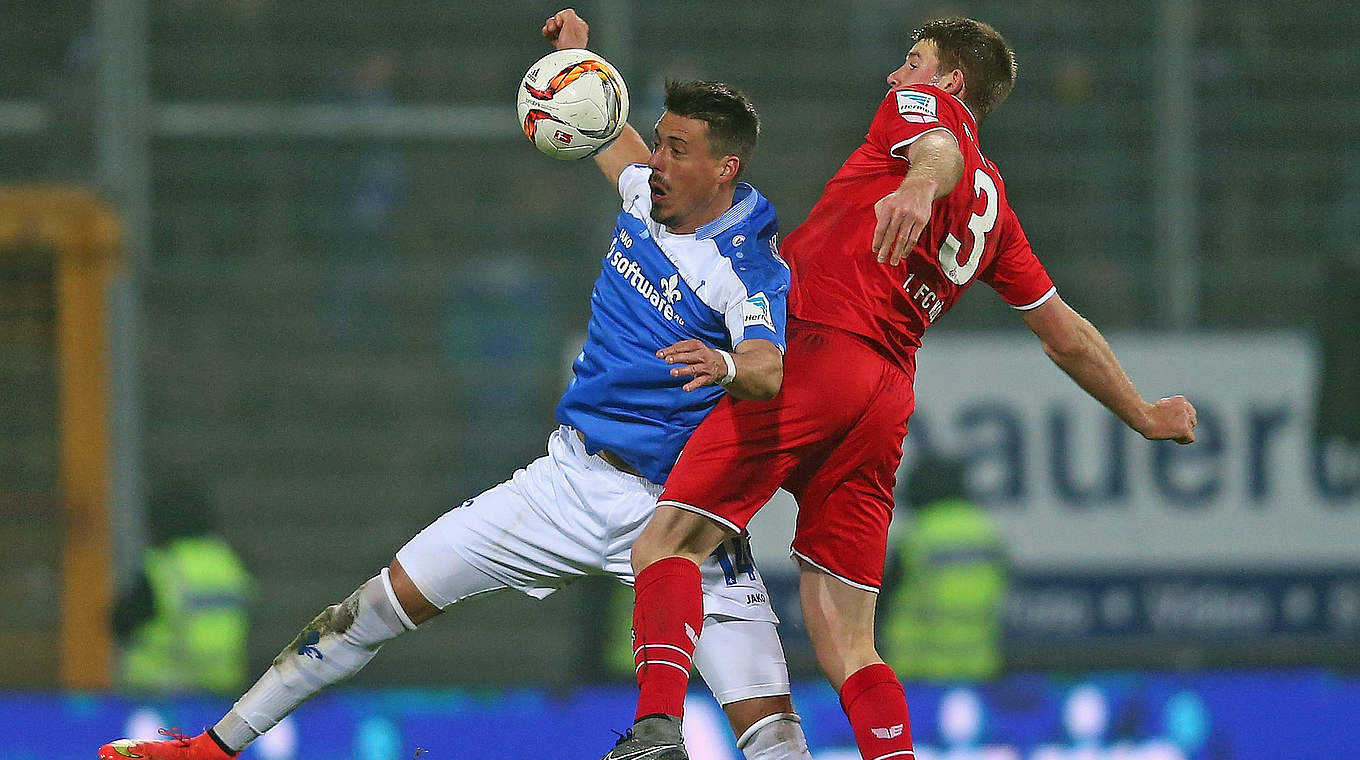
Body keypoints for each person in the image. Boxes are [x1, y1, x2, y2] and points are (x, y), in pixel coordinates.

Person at [100, 9, 814, 760]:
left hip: (675, 512)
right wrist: (579, 63)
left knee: (773, 733)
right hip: (566, 482)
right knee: (372, 606)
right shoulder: (648, 195)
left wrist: (729, 367)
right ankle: (212, 749)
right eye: (660, 143)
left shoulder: (748, 266)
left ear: (725, 169)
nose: (657, 161)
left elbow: (769, 366)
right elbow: (609, 133)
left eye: (678, 149)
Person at [608, 17, 1199, 760]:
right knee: (847, 637)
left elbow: (939, 148)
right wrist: (1142, 412)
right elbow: (1065, 335)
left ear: (950, 82)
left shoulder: (926, 115)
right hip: (883, 397)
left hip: (816, 352)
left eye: (912, 61)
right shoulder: (996, 218)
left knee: (666, 543)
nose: (896, 76)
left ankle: (658, 729)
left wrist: (919, 185)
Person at [113, 479, 252, 694]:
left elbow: (120, 623)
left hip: (161, 692)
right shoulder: (228, 563)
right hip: (222, 691)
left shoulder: (165, 566)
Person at [880, 454, 1006, 682]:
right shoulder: (987, 534)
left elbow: (880, 600)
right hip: (978, 665)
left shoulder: (919, 536)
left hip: (918, 668)